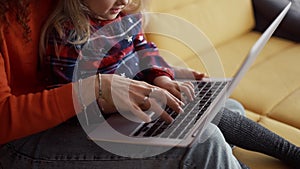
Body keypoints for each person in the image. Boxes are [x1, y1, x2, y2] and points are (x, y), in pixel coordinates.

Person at [0, 0, 298, 169]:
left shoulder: (112, 14)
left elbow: (139, 47)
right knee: (203, 140)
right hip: (34, 134)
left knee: (225, 107)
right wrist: (100, 91)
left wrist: (161, 73)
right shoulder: (67, 33)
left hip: (101, 105)